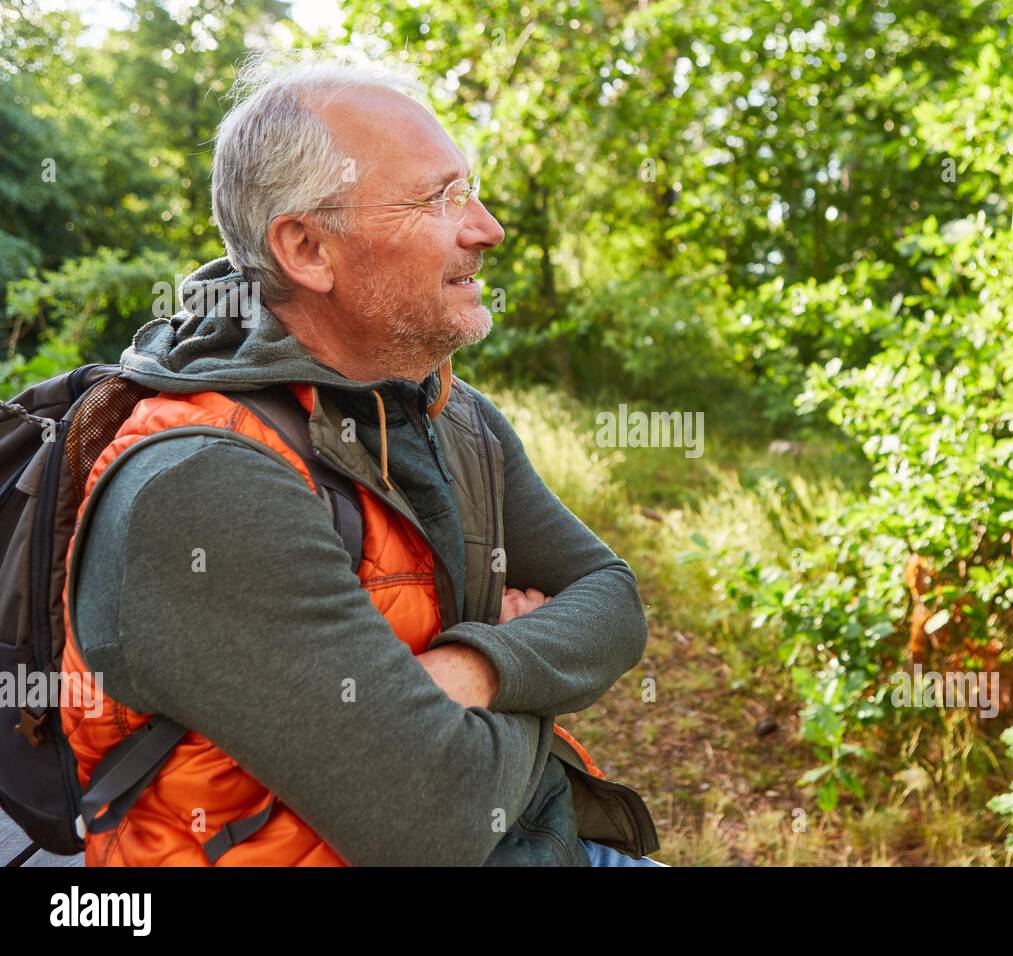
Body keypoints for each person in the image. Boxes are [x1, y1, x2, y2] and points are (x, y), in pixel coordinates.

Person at [59, 52, 664, 867]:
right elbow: (436, 823)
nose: (486, 229)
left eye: (469, 188)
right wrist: (525, 666)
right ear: (307, 248)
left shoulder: (448, 414)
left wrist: (475, 666)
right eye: (437, 198)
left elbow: (613, 602)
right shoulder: (203, 484)